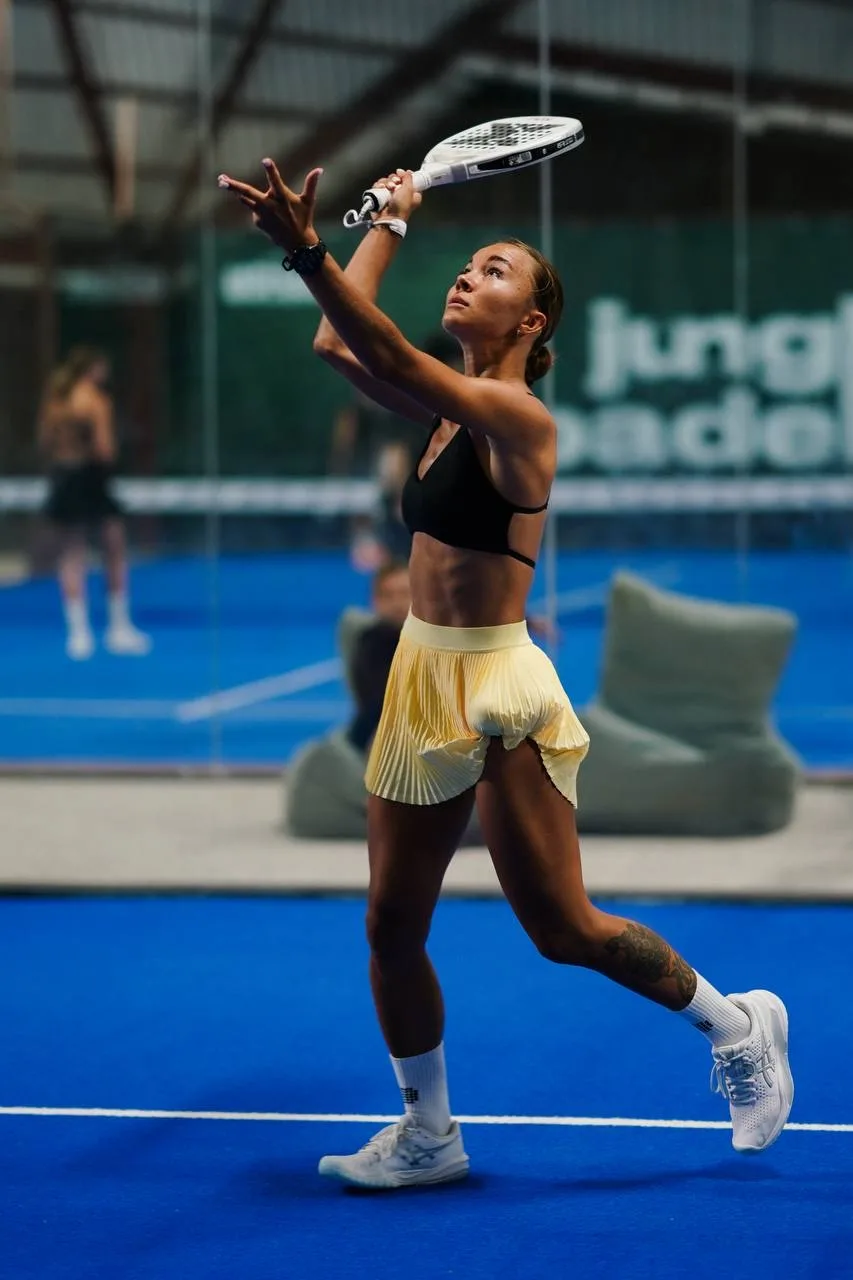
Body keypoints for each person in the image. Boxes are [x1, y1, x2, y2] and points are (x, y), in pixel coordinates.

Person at [218, 159, 794, 1189]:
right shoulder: (444, 413)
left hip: (496, 685)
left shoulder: (520, 421)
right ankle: (430, 1134)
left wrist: (307, 247)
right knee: (391, 925)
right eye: (467, 264)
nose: (465, 277)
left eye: (492, 271)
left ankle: (736, 1024)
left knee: (562, 928)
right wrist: (389, 219)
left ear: (530, 322)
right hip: (419, 676)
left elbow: (380, 343)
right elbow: (337, 341)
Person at [38, 347, 151, 661]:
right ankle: (118, 627)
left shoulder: (56, 401)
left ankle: (78, 633)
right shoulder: (97, 401)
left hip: (63, 475)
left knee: (71, 553)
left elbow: (44, 441)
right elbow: (105, 449)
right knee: (114, 549)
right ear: (94, 369)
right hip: (91, 477)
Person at [345, 561, 412, 754]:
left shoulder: (435, 642)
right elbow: (382, 703)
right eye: (388, 595)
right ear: (375, 601)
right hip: (380, 738)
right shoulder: (371, 644)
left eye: (404, 594)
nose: (397, 603)